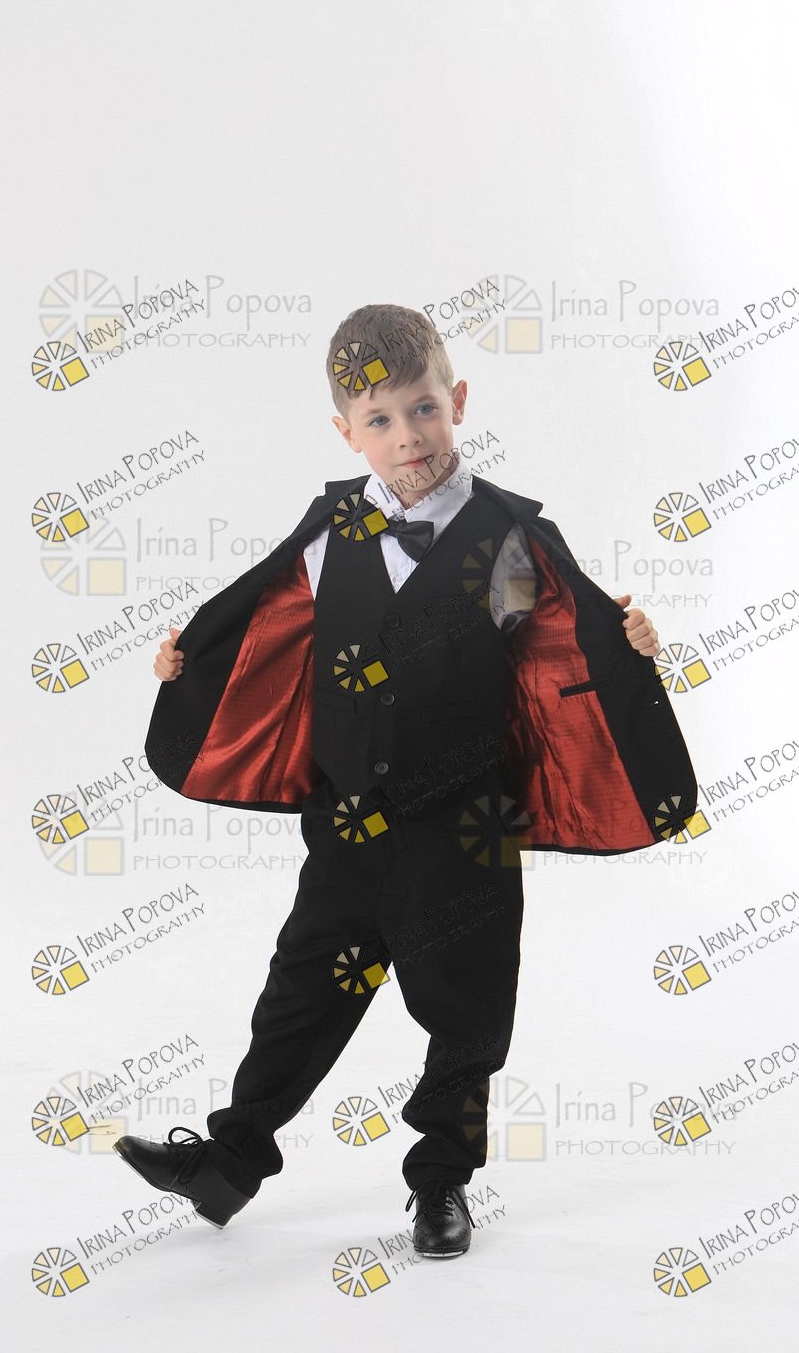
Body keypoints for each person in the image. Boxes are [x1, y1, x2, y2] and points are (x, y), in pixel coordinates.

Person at [113, 303, 697, 1258]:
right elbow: (266, 624)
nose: (408, 436)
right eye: (380, 420)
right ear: (347, 432)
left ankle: (441, 1184)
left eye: (423, 409)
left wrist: (624, 640)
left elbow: (548, 639)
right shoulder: (330, 529)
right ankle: (228, 1164)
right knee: (301, 994)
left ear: (457, 401)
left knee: (465, 1006)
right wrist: (191, 666)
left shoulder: (508, 537)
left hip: (465, 826)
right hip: (345, 822)